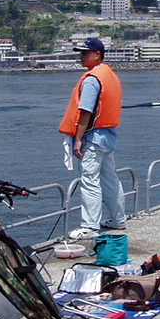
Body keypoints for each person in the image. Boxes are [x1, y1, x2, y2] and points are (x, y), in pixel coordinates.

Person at [58, 37, 125, 240]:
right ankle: (118, 219)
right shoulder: (110, 75)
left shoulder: (92, 79)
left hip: (93, 138)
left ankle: (90, 226)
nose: (81, 56)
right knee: (111, 179)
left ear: (97, 54)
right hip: (109, 137)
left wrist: (78, 139)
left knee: (89, 180)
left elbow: (85, 111)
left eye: (85, 53)